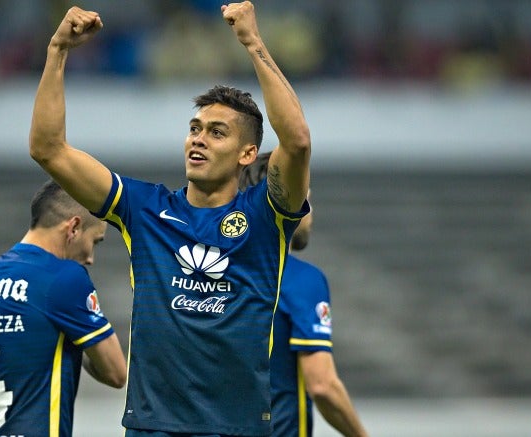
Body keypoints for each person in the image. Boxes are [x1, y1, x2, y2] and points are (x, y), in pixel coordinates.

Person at [29, 3, 310, 435]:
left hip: (237, 429)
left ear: (247, 154)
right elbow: (48, 149)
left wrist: (253, 43)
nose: (198, 139)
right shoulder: (143, 209)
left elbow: (297, 141)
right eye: (195, 128)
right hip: (152, 428)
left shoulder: (265, 215)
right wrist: (57, 50)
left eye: (217, 132)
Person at [0, 179, 127, 437]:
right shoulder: (63, 277)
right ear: (73, 227)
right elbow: (116, 373)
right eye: (95, 242)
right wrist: (79, 336)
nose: (90, 258)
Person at [241, 152, 368, 437]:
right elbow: (323, 386)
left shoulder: (215, 275)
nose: (311, 210)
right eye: (306, 197)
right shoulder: (300, 280)